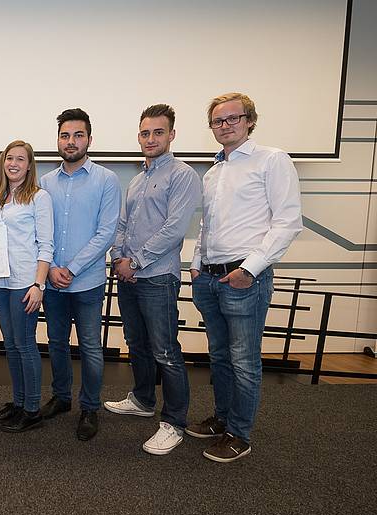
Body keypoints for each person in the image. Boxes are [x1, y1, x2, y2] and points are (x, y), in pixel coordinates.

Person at [188, 93, 302, 462]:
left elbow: (287, 223)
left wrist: (249, 269)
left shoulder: (271, 160)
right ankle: (222, 420)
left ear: (250, 121)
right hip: (210, 277)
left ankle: (240, 434)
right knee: (219, 357)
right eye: (218, 121)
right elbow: (208, 225)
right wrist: (196, 262)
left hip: (244, 278)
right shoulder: (214, 171)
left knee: (244, 360)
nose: (225, 126)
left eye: (233, 119)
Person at [103, 104, 201, 455]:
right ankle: (143, 400)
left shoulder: (183, 175)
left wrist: (137, 261)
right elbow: (122, 226)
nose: (150, 138)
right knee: (137, 343)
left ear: (171, 135)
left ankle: (174, 422)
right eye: (145, 133)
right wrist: (117, 258)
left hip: (157, 277)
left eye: (158, 132)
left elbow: (174, 230)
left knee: (165, 350)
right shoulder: (138, 180)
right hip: (129, 274)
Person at [39, 108, 121, 441]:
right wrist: (51, 271)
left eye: (77, 135)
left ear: (89, 138)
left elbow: (106, 233)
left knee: (90, 347)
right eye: (65, 135)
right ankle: (61, 398)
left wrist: (70, 269)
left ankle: (89, 407)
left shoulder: (107, 180)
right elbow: (40, 231)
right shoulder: (44, 182)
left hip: (86, 283)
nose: (70, 141)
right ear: (58, 139)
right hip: (53, 283)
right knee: (56, 343)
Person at [0, 140, 54, 433]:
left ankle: (32, 409)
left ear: (29, 165)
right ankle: (18, 402)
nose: (14, 163)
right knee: (11, 346)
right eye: (9, 158)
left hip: (25, 283)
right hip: (0, 282)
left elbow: (46, 245)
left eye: (20, 159)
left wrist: (39, 284)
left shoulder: (39, 198)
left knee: (25, 345)